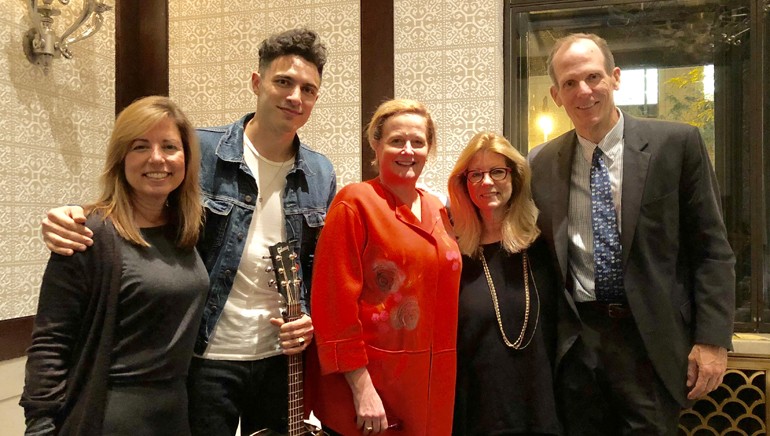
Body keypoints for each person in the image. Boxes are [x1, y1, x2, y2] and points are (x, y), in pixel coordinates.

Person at [39, 28, 337, 436]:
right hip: (203, 355)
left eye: (308, 89)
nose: (294, 97)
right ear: (257, 82)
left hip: (279, 359)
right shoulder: (201, 150)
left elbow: (315, 264)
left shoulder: (321, 172)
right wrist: (75, 213)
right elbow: (140, 199)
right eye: (283, 81)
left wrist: (307, 315)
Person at [528, 33, 736, 434]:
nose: (583, 91)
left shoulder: (677, 144)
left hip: (650, 341)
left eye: (593, 77)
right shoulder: (542, 162)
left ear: (615, 78)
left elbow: (712, 250)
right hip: (575, 344)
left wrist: (712, 339)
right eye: (569, 83)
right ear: (556, 94)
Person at [21, 96, 208, 435]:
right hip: (111, 416)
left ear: (186, 158)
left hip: (177, 413)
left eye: (169, 146)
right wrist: (40, 424)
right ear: (121, 157)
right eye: (140, 146)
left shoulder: (188, 231)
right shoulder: (89, 233)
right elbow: (51, 340)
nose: (157, 158)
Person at [308, 99, 462, 435]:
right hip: (373, 388)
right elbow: (333, 304)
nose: (408, 150)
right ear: (376, 145)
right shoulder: (355, 202)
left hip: (431, 383)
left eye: (418, 142)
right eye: (396, 141)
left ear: (429, 148)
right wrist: (362, 389)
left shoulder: (439, 209)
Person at [448, 132, 562, 435]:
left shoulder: (546, 244)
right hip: (476, 414)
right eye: (476, 174)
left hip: (541, 410)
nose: (487, 182)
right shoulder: (453, 253)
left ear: (516, 177)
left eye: (498, 171)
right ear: (464, 183)